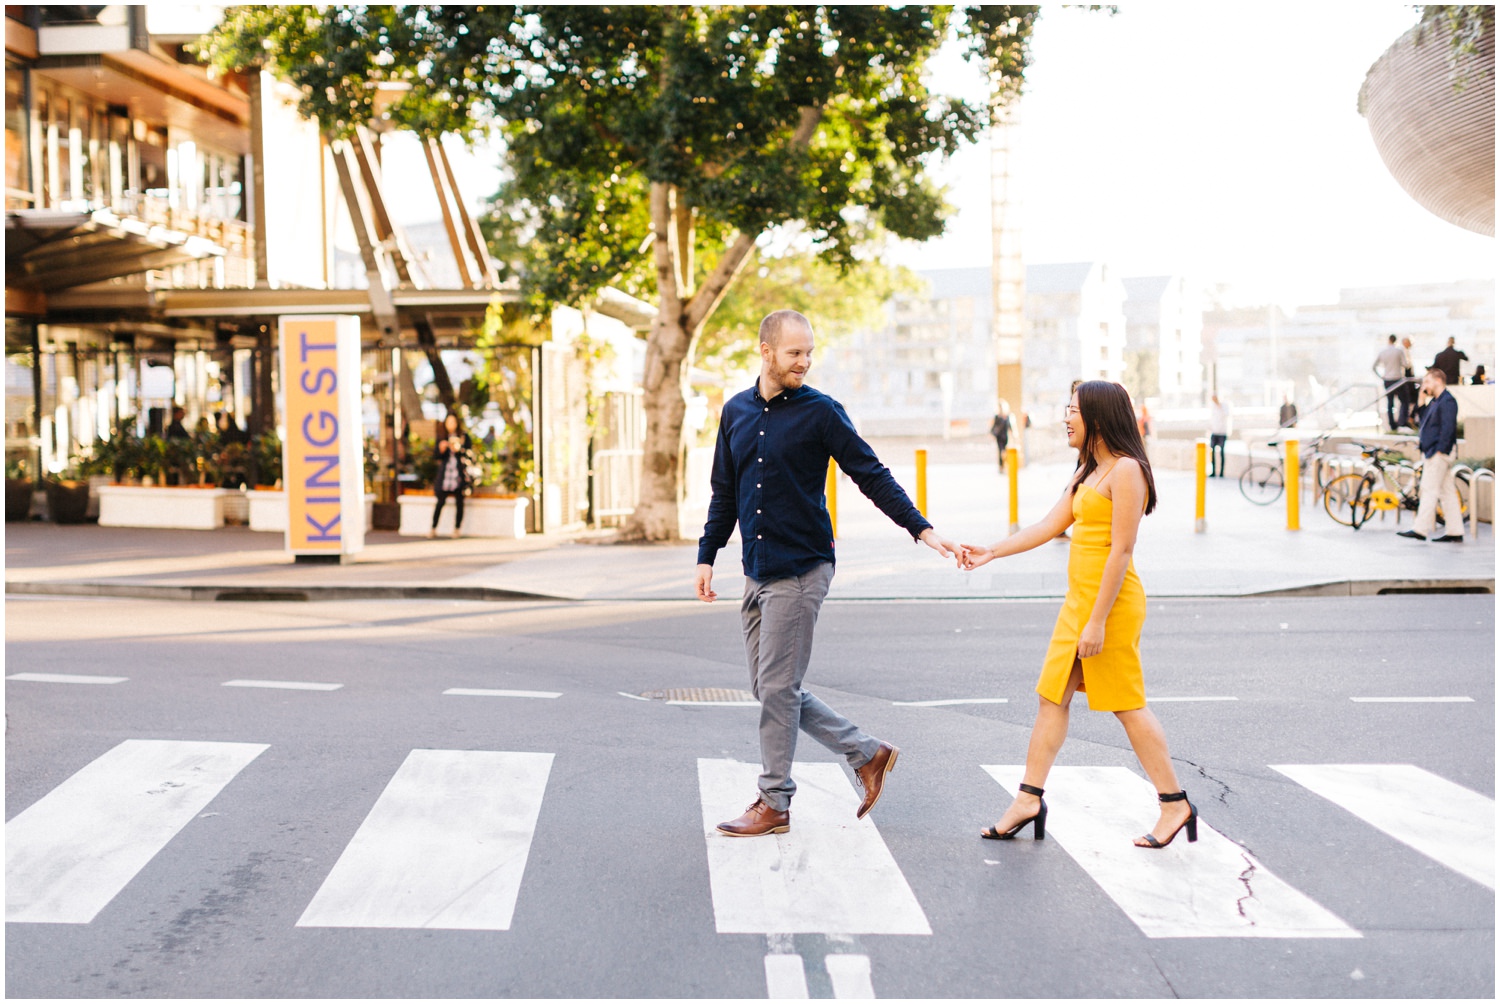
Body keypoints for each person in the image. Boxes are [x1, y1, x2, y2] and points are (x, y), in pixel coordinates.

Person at [696, 309, 960, 837]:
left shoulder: (821, 412)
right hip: (757, 569)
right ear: (766, 351)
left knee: (776, 688)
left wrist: (923, 530)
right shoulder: (735, 412)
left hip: (802, 568)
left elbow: (870, 474)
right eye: (795, 353)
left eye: (810, 352)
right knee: (771, 687)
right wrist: (707, 555)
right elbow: (725, 492)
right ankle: (867, 752)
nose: (805, 362)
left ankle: (774, 802)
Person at [959, 380, 1197, 849]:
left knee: (1126, 704)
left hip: (1111, 607)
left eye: (1072, 410)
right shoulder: (1089, 470)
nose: (1064, 418)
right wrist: (992, 551)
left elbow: (1122, 552)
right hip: (1079, 605)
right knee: (1053, 697)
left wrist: (1097, 621)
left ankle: (1175, 803)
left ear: (1099, 417)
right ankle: (1028, 799)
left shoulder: (1126, 471)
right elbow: (1049, 526)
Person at [1399, 367, 1464, 543]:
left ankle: (1420, 529)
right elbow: (1423, 421)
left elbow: (1448, 428)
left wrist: (1440, 450)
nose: (1423, 386)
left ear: (1438, 380)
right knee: (1447, 492)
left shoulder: (1447, 401)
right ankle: (1455, 531)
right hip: (1433, 451)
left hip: (1438, 453)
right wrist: (1421, 401)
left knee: (1429, 490)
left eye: (1427, 381)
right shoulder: (1435, 402)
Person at [429, 412, 473, 539]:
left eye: (453, 422)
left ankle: (457, 529)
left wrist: (460, 449)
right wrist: (442, 449)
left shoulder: (464, 437)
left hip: (459, 475)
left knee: (459, 503)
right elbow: (436, 456)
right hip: (445, 475)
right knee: (440, 502)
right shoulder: (442, 437)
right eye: (448, 422)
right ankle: (433, 528)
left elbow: (469, 454)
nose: (451, 425)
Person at [1372, 334, 1407, 432]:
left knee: (1390, 403)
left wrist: (1381, 376)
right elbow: (1405, 364)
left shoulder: (1383, 352)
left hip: (1387, 379)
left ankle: (1392, 425)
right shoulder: (1399, 351)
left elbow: (1373, 367)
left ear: (1389, 340)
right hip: (1397, 378)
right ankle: (1401, 422)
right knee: (1404, 401)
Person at [1207, 395, 1230, 477]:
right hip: (1214, 432)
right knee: (1212, 451)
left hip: (1222, 432)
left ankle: (1221, 472)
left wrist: (1219, 405)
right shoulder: (1212, 407)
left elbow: (1226, 415)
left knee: (1221, 452)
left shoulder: (1224, 405)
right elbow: (1211, 419)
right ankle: (1213, 471)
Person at [990, 402, 1013, 472]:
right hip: (999, 437)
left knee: (1005, 451)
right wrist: (992, 433)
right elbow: (994, 426)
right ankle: (1001, 466)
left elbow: (1009, 426)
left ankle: (1006, 465)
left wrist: (1013, 434)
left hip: (1005, 436)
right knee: (1001, 451)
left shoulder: (1007, 416)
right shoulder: (997, 416)